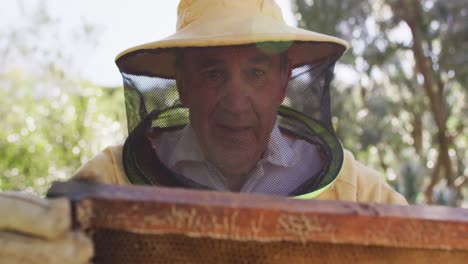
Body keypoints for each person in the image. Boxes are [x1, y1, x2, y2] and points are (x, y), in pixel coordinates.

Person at [0, 0, 406, 263]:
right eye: (213, 73)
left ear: (284, 83)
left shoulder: (356, 191)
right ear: (183, 83)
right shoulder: (111, 178)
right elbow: (48, 236)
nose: (235, 101)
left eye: (256, 73)